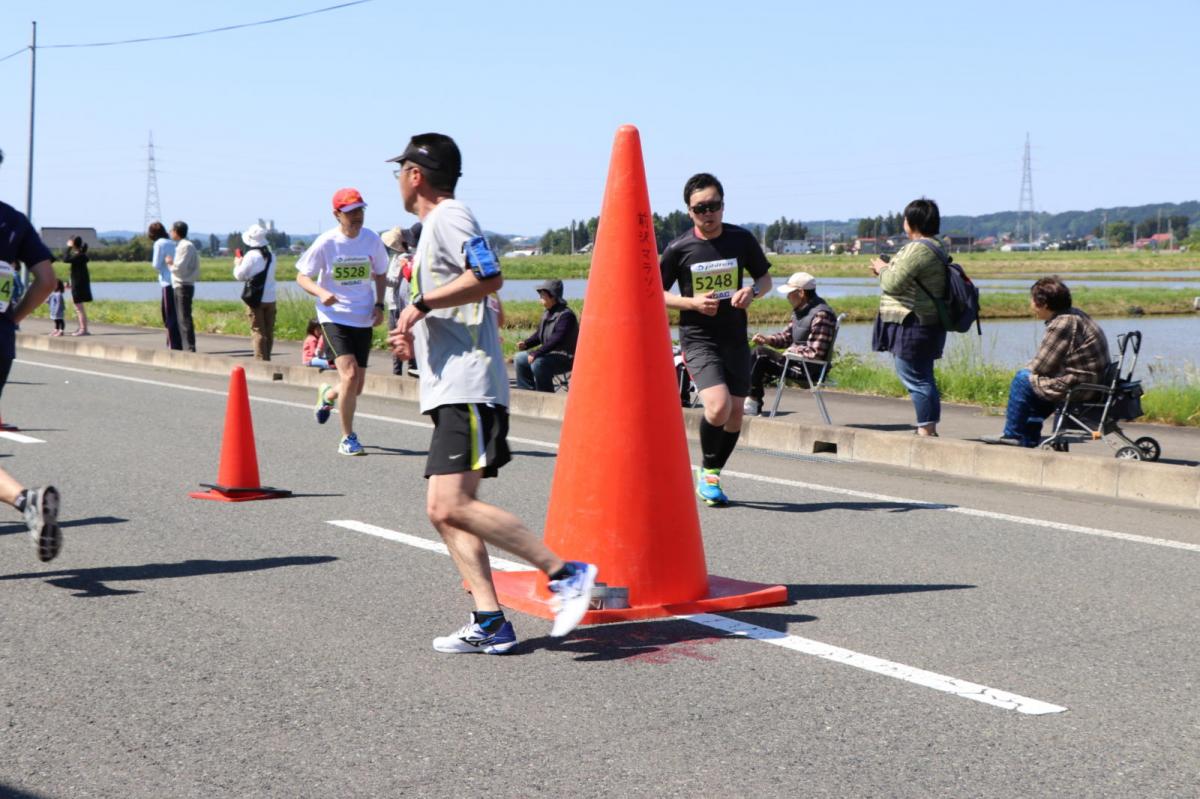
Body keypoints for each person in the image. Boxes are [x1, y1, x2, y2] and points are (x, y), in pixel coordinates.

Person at [388, 132, 597, 653]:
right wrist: (414, 333)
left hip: (469, 386)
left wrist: (423, 305)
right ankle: (489, 621)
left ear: (415, 175)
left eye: (400, 170)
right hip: (449, 386)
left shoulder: (449, 216)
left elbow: (489, 276)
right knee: (443, 509)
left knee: (452, 503)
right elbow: (464, 298)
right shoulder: (432, 227)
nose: (397, 180)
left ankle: (567, 574)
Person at [660, 172, 772, 506]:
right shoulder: (679, 248)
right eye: (700, 208)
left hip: (735, 338)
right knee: (719, 406)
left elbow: (765, 279)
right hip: (698, 339)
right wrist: (691, 303)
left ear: (723, 206)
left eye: (714, 206)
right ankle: (708, 472)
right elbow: (652, 292)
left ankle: (712, 473)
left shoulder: (741, 239)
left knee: (737, 413)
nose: (708, 214)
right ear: (689, 211)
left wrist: (751, 292)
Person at [0, 148, 63, 561]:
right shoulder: (12, 219)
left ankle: (26, 501)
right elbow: (46, 280)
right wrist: (13, 319)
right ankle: (26, 501)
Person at [296, 188, 388, 455]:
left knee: (355, 386)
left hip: (363, 316)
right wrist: (322, 292)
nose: (357, 216)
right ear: (337, 214)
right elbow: (303, 276)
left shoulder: (371, 240)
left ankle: (328, 395)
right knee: (348, 375)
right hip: (334, 317)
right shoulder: (327, 242)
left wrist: (380, 304)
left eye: (360, 210)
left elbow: (381, 273)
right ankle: (348, 438)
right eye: (350, 213)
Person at [983, 277, 1111, 447]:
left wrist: (1027, 370)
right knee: (1034, 382)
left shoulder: (1062, 324)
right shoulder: (1075, 314)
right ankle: (1028, 439)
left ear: (1043, 304)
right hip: (1091, 381)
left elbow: (1041, 366)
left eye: (1032, 300)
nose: (1031, 305)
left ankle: (1012, 434)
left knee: (1022, 379)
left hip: (1080, 386)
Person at [869, 198, 948, 437]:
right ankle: (928, 427)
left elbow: (893, 283)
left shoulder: (919, 248)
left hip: (913, 321)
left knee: (915, 376)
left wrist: (882, 268)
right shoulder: (936, 246)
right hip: (925, 320)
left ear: (912, 222)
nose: (903, 222)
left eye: (905, 218)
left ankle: (926, 429)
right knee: (922, 376)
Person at [743, 271, 837, 416]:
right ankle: (751, 401)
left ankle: (752, 403)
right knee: (757, 353)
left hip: (807, 369)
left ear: (801, 293)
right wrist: (767, 339)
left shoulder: (821, 315)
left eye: (790, 293)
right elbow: (787, 337)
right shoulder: (800, 311)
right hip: (796, 363)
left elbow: (815, 353)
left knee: (760, 354)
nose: (787, 297)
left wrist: (791, 352)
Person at [515, 278, 577, 392]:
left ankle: (545, 395)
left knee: (538, 363)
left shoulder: (566, 316)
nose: (540, 297)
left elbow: (556, 339)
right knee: (519, 358)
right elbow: (539, 334)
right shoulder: (547, 313)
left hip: (564, 358)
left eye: (543, 295)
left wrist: (536, 353)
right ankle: (527, 392)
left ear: (552, 296)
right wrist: (526, 344)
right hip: (548, 354)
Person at [232, 223, 277, 361]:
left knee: (258, 331)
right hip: (271, 298)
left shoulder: (251, 255)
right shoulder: (271, 255)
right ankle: (267, 358)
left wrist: (237, 264)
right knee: (268, 331)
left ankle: (260, 361)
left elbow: (240, 276)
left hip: (255, 298)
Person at [381, 223, 420, 376]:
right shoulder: (400, 257)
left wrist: (379, 278)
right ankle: (408, 370)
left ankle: (401, 372)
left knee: (398, 337)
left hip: (397, 305)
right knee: (403, 337)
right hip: (398, 303)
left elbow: (395, 281)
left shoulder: (402, 258)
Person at [165, 221, 199, 352]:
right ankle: (186, 346)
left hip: (183, 285)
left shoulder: (185, 246)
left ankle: (189, 348)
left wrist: (169, 263)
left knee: (184, 317)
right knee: (182, 317)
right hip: (183, 284)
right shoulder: (185, 245)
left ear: (176, 232)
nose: (170, 232)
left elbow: (179, 268)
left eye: (171, 230)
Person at [148, 221, 181, 350]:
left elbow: (156, 264)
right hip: (177, 281)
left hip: (167, 282)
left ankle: (172, 344)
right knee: (176, 314)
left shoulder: (159, 243)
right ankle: (177, 342)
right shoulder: (174, 243)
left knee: (168, 315)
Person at [64, 236, 91, 335]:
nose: (68, 243)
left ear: (74, 244)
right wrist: (69, 282)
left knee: (79, 308)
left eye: (70, 242)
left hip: (78, 286)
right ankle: (82, 328)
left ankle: (83, 329)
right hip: (76, 284)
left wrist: (69, 247)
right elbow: (74, 272)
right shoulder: (79, 255)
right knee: (78, 308)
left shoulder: (79, 256)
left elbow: (65, 259)